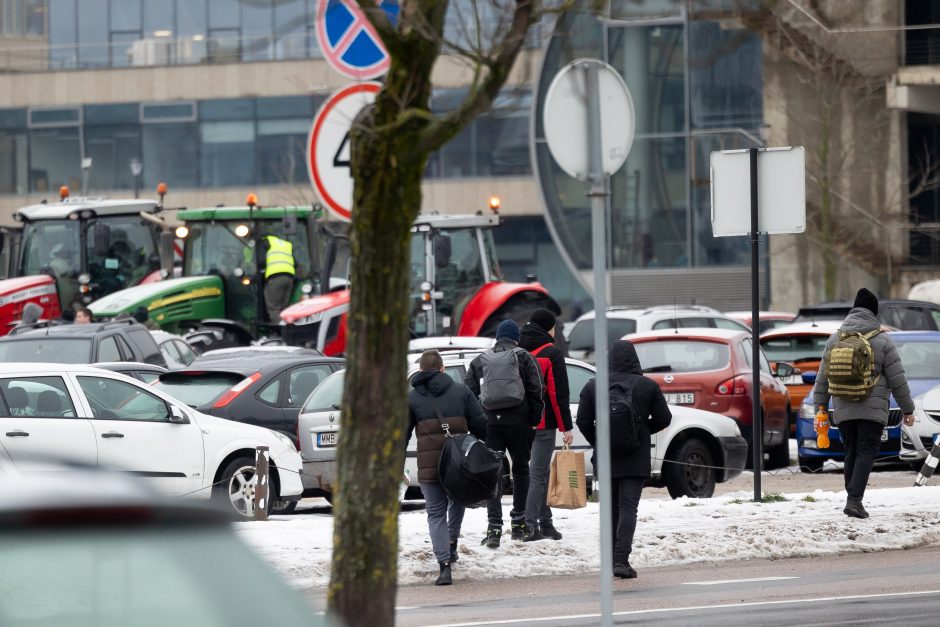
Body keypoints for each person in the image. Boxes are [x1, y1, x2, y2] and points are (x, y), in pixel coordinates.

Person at [812, 288, 915, 519]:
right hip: (872, 408)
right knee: (866, 451)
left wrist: (820, 406)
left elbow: (822, 377)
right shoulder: (883, 340)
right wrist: (908, 410)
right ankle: (854, 500)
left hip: (842, 406)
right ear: (873, 312)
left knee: (850, 452)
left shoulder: (835, 338)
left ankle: (853, 498)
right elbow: (897, 379)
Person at [576, 339, 671, 579]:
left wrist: (600, 439)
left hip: (606, 458)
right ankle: (621, 560)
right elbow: (664, 418)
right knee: (628, 508)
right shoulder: (647, 386)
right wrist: (641, 430)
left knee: (610, 509)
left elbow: (583, 421)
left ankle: (610, 561)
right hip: (635, 456)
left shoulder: (593, 387)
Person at [407, 350, 487, 586]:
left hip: (429, 467)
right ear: (443, 369)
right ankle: (451, 543)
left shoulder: (412, 398)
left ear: (420, 371)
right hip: (459, 464)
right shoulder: (462, 392)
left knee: (435, 513)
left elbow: (400, 435)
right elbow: (481, 425)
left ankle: (443, 565)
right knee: (458, 500)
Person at [464, 319, 544, 548]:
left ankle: (493, 529)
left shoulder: (480, 359)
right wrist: (533, 420)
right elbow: (537, 389)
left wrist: (481, 418)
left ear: (498, 338)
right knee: (521, 469)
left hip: (491, 424)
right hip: (519, 422)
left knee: (493, 474)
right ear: (515, 338)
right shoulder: (524, 357)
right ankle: (519, 524)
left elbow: (469, 391)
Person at [518, 308, 573, 541]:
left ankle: (546, 522)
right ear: (548, 327)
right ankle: (529, 526)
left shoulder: (517, 350)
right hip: (542, 423)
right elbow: (558, 395)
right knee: (539, 474)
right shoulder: (551, 354)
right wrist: (566, 428)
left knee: (538, 472)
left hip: (519, 423)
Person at [262, 234, 295, 323]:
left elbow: (260, 259)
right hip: (289, 277)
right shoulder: (287, 244)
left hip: (276, 277)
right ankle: (289, 326)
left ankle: (280, 328)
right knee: (284, 307)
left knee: (273, 308)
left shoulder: (266, 241)